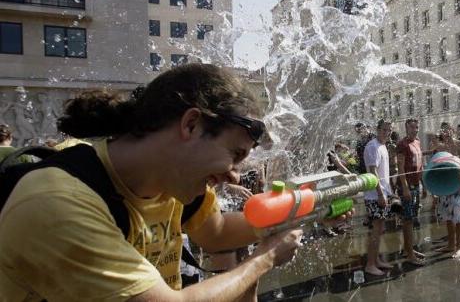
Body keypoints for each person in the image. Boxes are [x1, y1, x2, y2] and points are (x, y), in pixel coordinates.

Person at [0, 64, 317, 301]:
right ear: (191, 124)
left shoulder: (173, 181)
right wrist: (265, 258)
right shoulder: (58, 200)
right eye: (235, 154)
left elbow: (216, 233)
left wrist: (305, 211)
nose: (235, 174)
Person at [363, 120, 394, 275]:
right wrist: (381, 194)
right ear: (377, 129)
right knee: (376, 230)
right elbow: (373, 172)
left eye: (389, 130)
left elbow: (384, 173)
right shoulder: (372, 146)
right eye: (384, 130)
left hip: (383, 193)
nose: (387, 133)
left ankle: (376, 260)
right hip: (374, 196)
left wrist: (389, 191)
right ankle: (370, 264)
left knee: (380, 229)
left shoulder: (383, 146)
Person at [435, 122, 460, 259]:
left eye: (447, 130)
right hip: (445, 186)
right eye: (443, 130)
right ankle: (450, 245)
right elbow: (436, 168)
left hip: (458, 185)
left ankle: (459, 247)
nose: (446, 132)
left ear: (452, 130)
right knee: (448, 217)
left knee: (459, 218)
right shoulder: (441, 147)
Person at [397, 118, 425, 266]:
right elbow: (400, 169)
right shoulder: (402, 145)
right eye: (412, 127)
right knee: (407, 220)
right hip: (406, 188)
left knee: (412, 218)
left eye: (416, 127)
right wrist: (405, 187)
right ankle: (409, 254)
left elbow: (420, 166)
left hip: (416, 186)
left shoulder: (418, 142)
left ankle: (410, 249)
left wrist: (424, 185)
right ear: (406, 128)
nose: (415, 130)